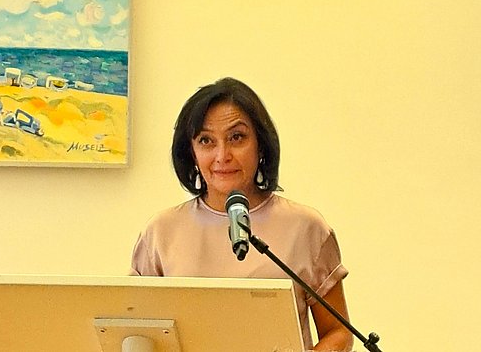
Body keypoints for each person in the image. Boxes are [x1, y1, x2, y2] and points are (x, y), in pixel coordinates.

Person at [129, 77, 353, 352]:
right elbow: (135, 332)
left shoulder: (305, 227)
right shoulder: (161, 231)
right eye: (206, 140)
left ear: (261, 144)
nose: (222, 155)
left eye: (236, 137)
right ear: (191, 152)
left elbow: (339, 332)